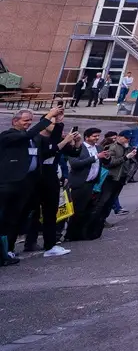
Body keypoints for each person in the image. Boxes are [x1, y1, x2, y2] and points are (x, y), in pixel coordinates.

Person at [0, 106, 64, 265]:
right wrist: (48, 116)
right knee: (6, 218)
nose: (29, 123)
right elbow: (29, 133)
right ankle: (7, 249)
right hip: (10, 183)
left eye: (30, 120)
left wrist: (58, 124)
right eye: (25, 120)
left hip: (28, 182)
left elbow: (52, 146)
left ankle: (7, 251)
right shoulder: (8, 135)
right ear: (15, 121)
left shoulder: (33, 139)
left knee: (17, 217)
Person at [22, 114, 77, 257]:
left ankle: (50, 244)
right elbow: (44, 154)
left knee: (50, 213)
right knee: (30, 212)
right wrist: (64, 141)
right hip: (35, 179)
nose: (57, 126)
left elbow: (72, 153)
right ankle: (23, 243)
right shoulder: (36, 139)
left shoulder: (56, 138)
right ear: (45, 124)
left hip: (52, 178)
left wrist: (76, 142)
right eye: (54, 123)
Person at [89, 133, 137, 239]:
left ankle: (102, 221)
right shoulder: (113, 147)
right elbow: (109, 163)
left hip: (121, 178)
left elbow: (131, 162)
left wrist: (131, 156)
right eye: (125, 138)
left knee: (111, 201)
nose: (127, 140)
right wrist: (125, 157)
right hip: (111, 178)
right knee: (104, 201)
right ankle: (95, 222)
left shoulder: (127, 147)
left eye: (129, 139)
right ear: (120, 137)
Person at [65, 128, 110, 241]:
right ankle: (70, 235)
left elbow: (103, 162)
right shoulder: (79, 147)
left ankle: (82, 233)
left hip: (92, 183)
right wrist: (95, 157)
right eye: (94, 136)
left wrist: (106, 158)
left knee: (86, 210)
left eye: (98, 136)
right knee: (75, 210)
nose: (97, 138)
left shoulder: (98, 148)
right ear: (87, 137)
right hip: (79, 183)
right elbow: (75, 164)